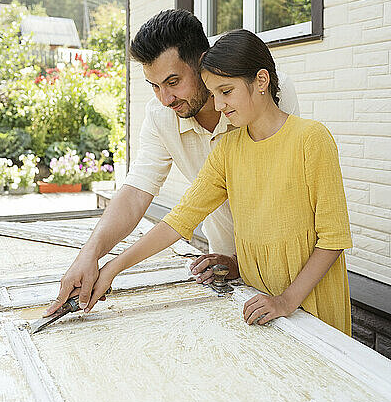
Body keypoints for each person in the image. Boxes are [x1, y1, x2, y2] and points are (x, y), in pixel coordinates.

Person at [76, 29, 353, 335]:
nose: (218, 105)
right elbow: (178, 220)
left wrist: (286, 300)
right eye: (214, 93)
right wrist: (110, 268)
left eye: (226, 92)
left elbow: (332, 238)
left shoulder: (311, 138)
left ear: (261, 82)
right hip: (258, 298)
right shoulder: (228, 149)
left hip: (308, 298)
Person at [45, 11, 299, 317]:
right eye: (154, 85)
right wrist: (91, 254)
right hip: (227, 268)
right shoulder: (160, 114)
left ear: (203, 63)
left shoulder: (265, 91)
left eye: (173, 81)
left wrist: (242, 260)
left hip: (288, 269)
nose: (165, 98)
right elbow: (138, 192)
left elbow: (281, 198)